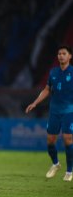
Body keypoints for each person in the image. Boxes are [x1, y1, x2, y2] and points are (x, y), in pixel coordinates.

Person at [25, 45, 73, 182]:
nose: (61, 56)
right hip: (54, 112)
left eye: (64, 53)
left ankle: (69, 171)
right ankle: (56, 164)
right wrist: (35, 103)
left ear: (70, 56)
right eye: (59, 53)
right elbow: (47, 90)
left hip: (69, 111)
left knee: (68, 139)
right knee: (50, 141)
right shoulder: (53, 73)